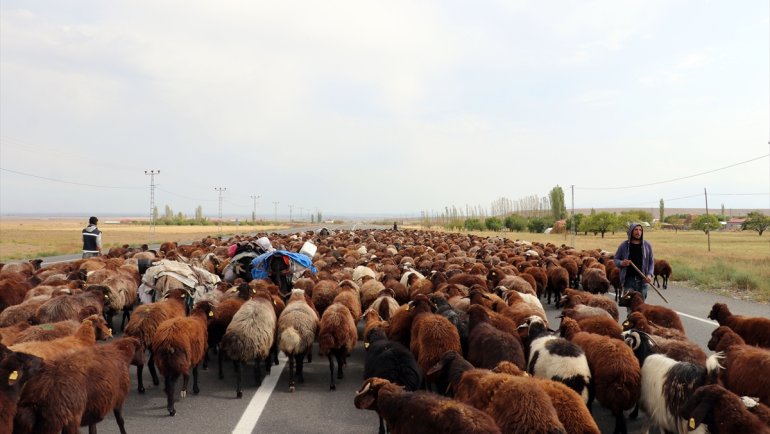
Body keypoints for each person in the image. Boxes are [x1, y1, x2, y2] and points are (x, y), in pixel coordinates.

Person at [614, 223, 654, 299]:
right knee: (629, 303)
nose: (638, 232)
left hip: (643, 282)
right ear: (631, 231)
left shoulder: (647, 246)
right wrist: (622, 263)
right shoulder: (624, 246)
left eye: (640, 230)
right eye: (636, 230)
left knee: (641, 305)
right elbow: (616, 260)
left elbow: (651, 262)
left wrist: (649, 274)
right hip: (628, 282)